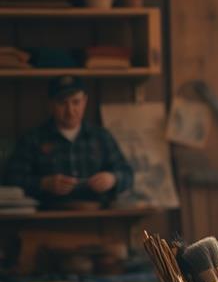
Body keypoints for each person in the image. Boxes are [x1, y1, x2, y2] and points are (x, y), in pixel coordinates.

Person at [4, 75, 133, 207]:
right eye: (62, 103)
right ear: (50, 104)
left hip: (97, 217)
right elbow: (11, 178)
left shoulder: (101, 137)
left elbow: (127, 174)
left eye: (76, 102)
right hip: (47, 218)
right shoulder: (33, 139)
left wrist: (112, 179)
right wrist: (43, 183)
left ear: (85, 101)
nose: (70, 111)